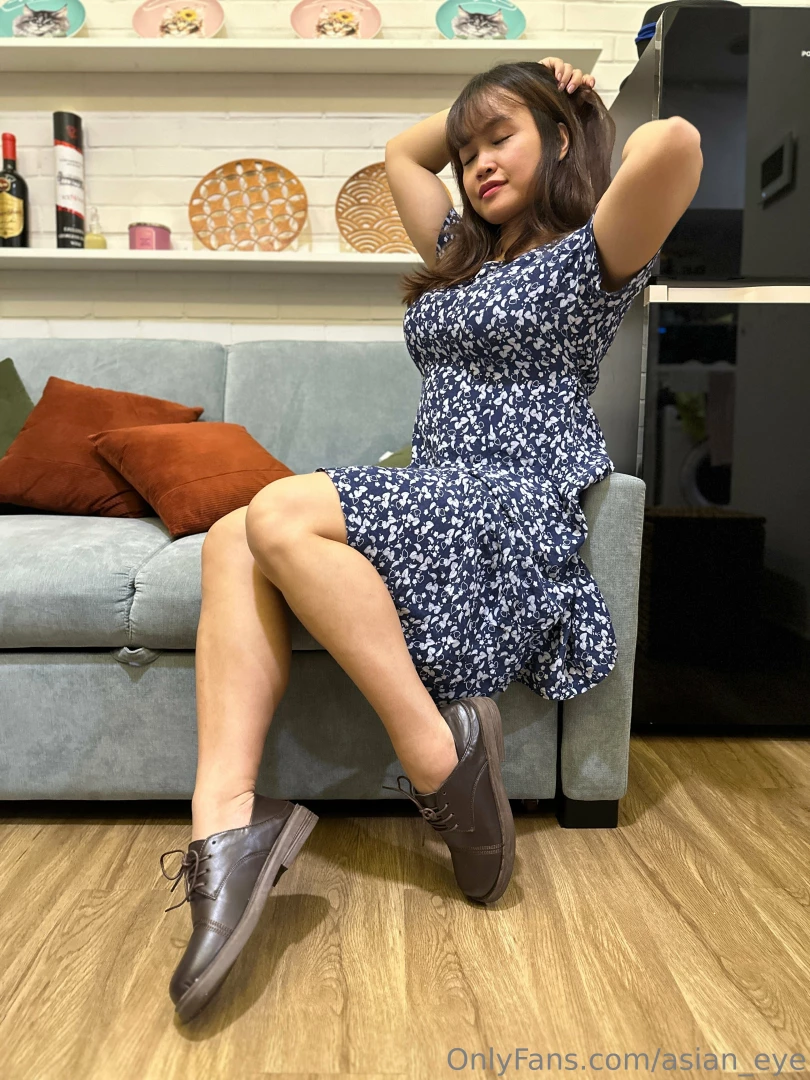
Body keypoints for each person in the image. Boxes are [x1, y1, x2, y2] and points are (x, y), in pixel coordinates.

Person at [159, 56, 703, 1024]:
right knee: (230, 536)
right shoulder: (461, 248)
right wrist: (481, 113)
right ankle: (227, 829)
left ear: (560, 140)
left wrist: (572, 90)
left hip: (516, 500)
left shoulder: (595, 253)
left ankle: (434, 757)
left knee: (274, 511)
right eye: (468, 149)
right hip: (439, 488)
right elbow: (400, 155)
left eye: (502, 139)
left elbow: (678, 143)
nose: (477, 162)